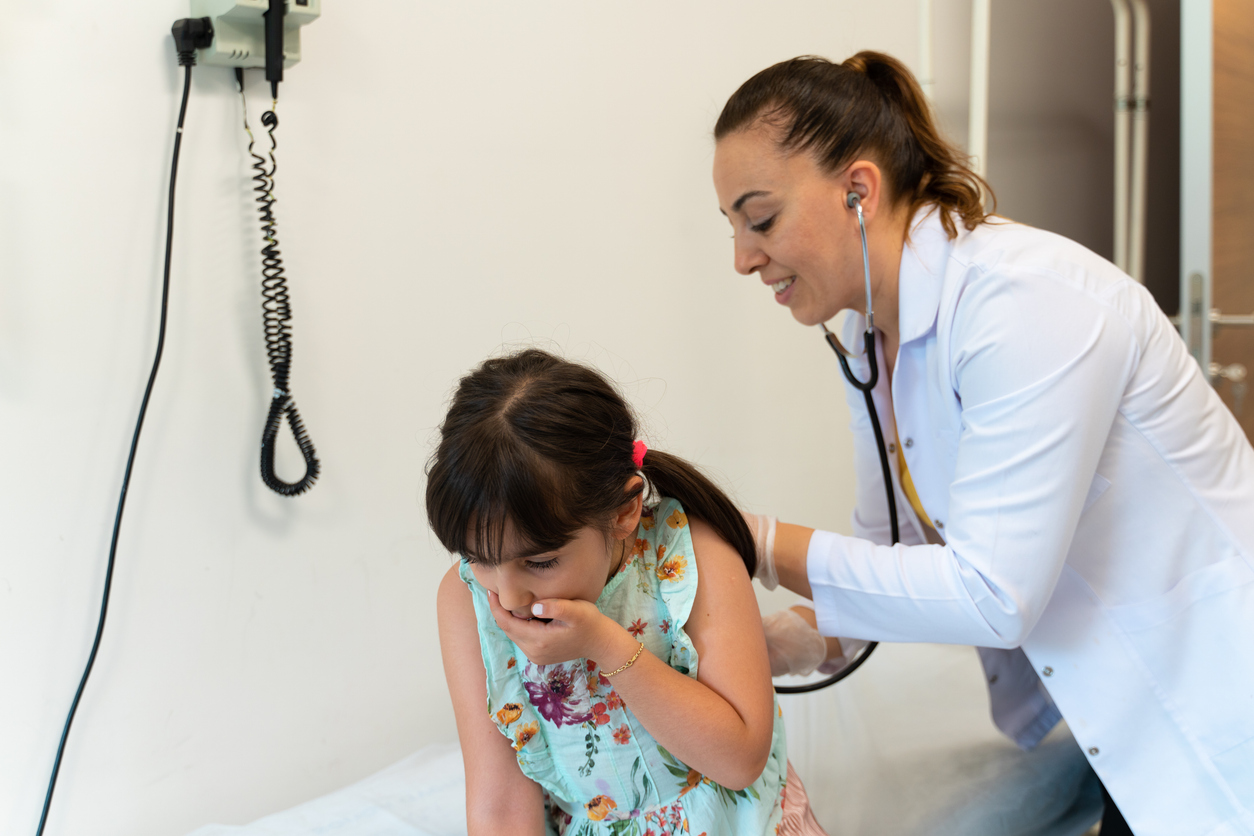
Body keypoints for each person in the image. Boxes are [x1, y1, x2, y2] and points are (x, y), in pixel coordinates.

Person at [712, 52, 1254, 836]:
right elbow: (890, 548)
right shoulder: (872, 338)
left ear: (858, 190)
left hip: (1222, 706)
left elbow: (993, 595)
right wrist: (768, 645)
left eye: (759, 219)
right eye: (731, 229)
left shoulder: (1025, 303)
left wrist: (754, 541)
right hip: (1134, 732)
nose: (743, 258)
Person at [428, 349, 828, 836]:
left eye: (540, 562)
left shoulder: (691, 554)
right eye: (477, 558)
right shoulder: (465, 601)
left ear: (623, 512)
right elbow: (500, 805)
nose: (508, 598)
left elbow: (740, 759)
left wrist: (605, 644)